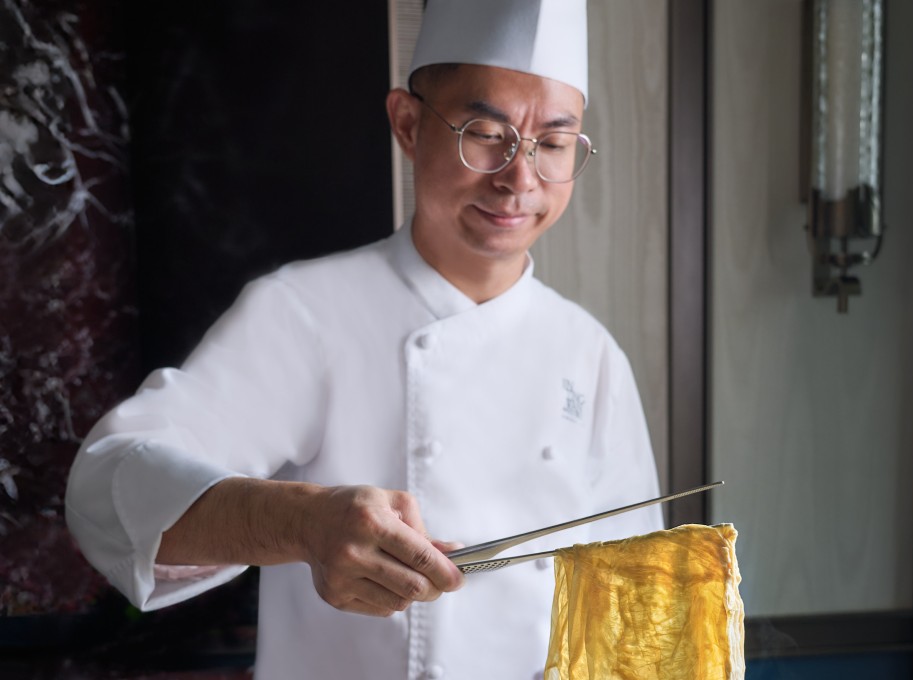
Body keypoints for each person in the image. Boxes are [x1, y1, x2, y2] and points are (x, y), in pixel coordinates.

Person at [65, 1, 663, 678]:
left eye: (552, 144)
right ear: (408, 125)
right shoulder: (307, 312)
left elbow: (630, 609)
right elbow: (108, 484)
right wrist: (301, 523)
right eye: (484, 132)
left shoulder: (589, 353)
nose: (519, 180)